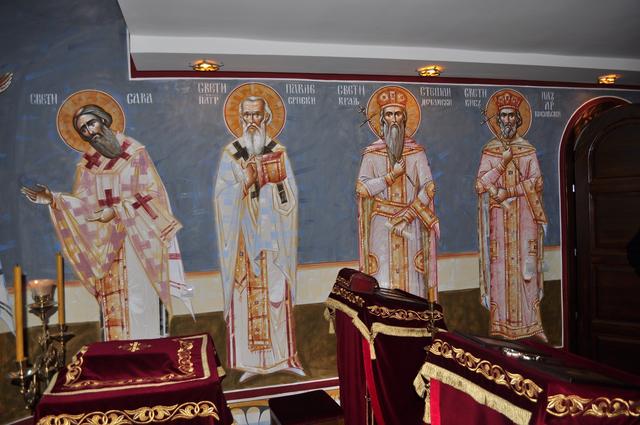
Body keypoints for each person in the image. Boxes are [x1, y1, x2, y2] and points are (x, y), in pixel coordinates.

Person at [21, 90, 192, 341]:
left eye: (91, 123)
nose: (90, 131)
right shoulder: (88, 165)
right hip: (108, 248)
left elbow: (153, 195)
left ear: (103, 119)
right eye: (83, 130)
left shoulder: (134, 153)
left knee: (142, 302)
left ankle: (150, 352)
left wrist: (117, 211)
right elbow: (84, 206)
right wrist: (54, 199)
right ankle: (120, 356)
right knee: (115, 308)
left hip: (138, 243)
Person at [215, 83, 303, 383]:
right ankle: (250, 363)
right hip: (244, 240)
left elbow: (290, 200)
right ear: (240, 118)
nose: (252, 121)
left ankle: (283, 358)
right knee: (245, 298)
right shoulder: (231, 154)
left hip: (273, 240)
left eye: (257, 115)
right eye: (247, 115)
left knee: (277, 296)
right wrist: (246, 182)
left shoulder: (277, 152)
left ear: (266, 118)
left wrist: (275, 183)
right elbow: (222, 199)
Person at [476, 89, 548, 341]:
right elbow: (480, 184)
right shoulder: (490, 151)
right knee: (500, 269)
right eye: (503, 116)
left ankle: (530, 325)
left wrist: (509, 192)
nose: (507, 120)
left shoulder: (527, 150)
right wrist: (501, 164)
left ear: (518, 119)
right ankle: (501, 327)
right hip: (499, 223)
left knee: (526, 268)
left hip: (524, 219)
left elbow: (536, 182)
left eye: (511, 116)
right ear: (497, 120)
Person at [356, 86, 439, 298]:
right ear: (382, 119)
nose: (393, 119)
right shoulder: (372, 153)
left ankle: (413, 317)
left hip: (410, 221)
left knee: (412, 278)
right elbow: (362, 188)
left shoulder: (417, 152)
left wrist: (408, 216)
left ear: (404, 118)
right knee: (382, 276)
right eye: (389, 114)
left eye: (398, 114)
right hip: (382, 225)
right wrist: (390, 177)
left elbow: (429, 187)